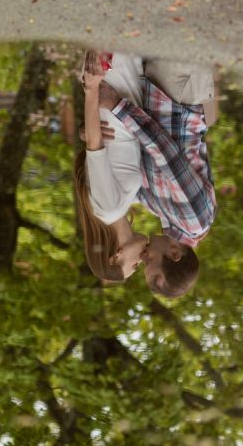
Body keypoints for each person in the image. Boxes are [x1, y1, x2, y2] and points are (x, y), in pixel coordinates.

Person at [98, 67, 216, 299]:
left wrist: (92, 135)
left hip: (152, 90)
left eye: (141, 263)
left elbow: (121, 171)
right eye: (150, 260)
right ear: (174, 253)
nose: (143, 257)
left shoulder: (160, 211)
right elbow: (165, 152)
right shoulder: (195, 221)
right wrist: (116, 106)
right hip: (178, 91)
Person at [73, 53, 149, 281]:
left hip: (111, 83)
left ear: (115, 257)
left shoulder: (109, 209)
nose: (142, 260)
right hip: (122, 95)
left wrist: (92, 89)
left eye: (134, 266)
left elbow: (95, 149)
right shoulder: (124, 204)